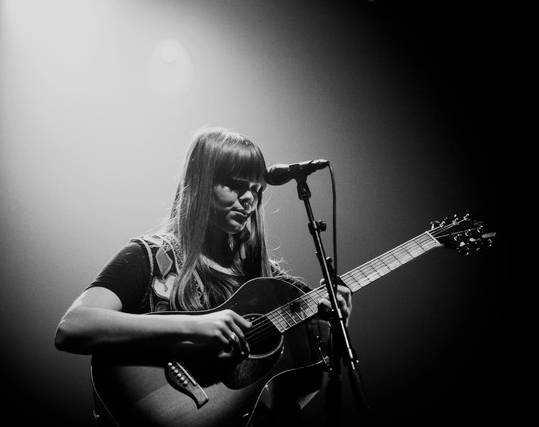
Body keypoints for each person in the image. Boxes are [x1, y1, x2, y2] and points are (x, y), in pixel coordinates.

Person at [54, 126, 352, 427]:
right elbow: (73, 327)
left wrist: (335, 333)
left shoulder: (275, 285)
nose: (249, 198)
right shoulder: (150, 256)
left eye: (256, 190)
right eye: (235, 185)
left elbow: (295, 394)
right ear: (201, 183)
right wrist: (194, 326)